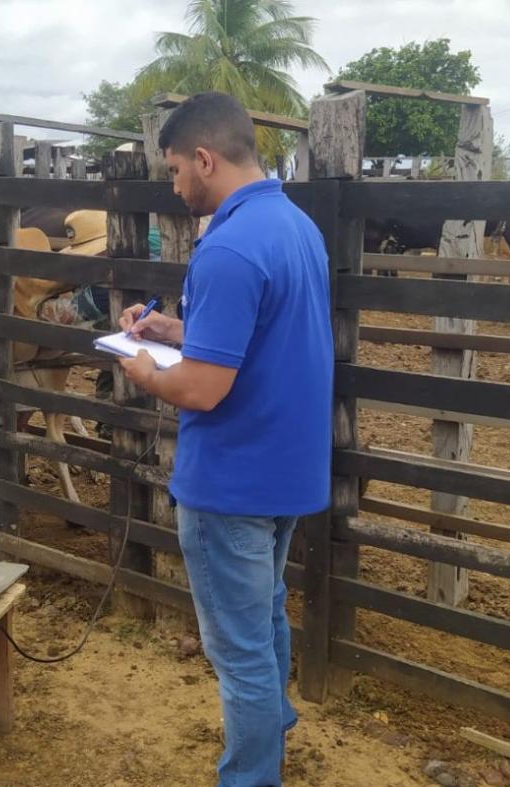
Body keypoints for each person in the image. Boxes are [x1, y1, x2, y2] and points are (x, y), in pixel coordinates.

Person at [117, 92, 333, 787]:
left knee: (237, 650)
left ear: (205, 159)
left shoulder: (228, 245)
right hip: (285, 471)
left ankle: (251, 773)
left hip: (229, 479)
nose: (176, 184)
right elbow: (255, 337)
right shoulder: (294, 226)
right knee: (265, 611)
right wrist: (174, 332)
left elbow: (204, 389)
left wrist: (143, 368)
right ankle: (274, 719)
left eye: (177, 168)